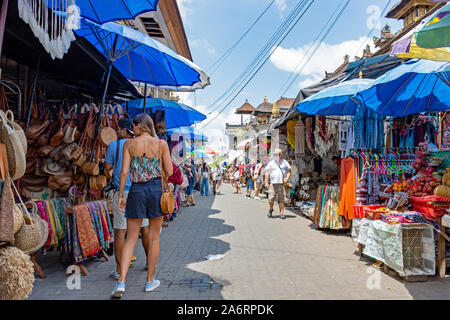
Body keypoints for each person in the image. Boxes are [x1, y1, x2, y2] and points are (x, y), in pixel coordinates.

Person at [111, 113, 173, 298]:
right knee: (154, 238)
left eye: (134, 126)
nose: (133, 129)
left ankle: (121, 281)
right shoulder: (161, 144)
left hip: (136, 190)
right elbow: (169, 171)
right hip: (155, 190)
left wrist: (121, 195)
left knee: (131, 238)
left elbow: (123, 173)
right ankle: (150, 280)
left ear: (140, 126)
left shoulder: (129, 144)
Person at [105, 119, 149, 281]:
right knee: (144, 228)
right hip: (141, 191)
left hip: (122, 192)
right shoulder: (141, 144)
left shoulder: (114, 146)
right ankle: (150, 263)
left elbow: (107, 169)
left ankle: (119, 269)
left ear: (124, 130)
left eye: (118, 129)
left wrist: (114, 176)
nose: (117, 132)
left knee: (120, 231)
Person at [265, 148, 291, 219]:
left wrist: (286, 178)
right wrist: (266, 182)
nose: (276, 156)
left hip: (281, 184)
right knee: (271, 198)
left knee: (281, 199)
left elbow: (289, 171)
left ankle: (281, 213)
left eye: (277, 154)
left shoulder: (285, 162)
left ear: (281, 155)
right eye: (275, 154)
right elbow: (267, 173)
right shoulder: (271, 163)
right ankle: (270, 209)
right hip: (273, 183)